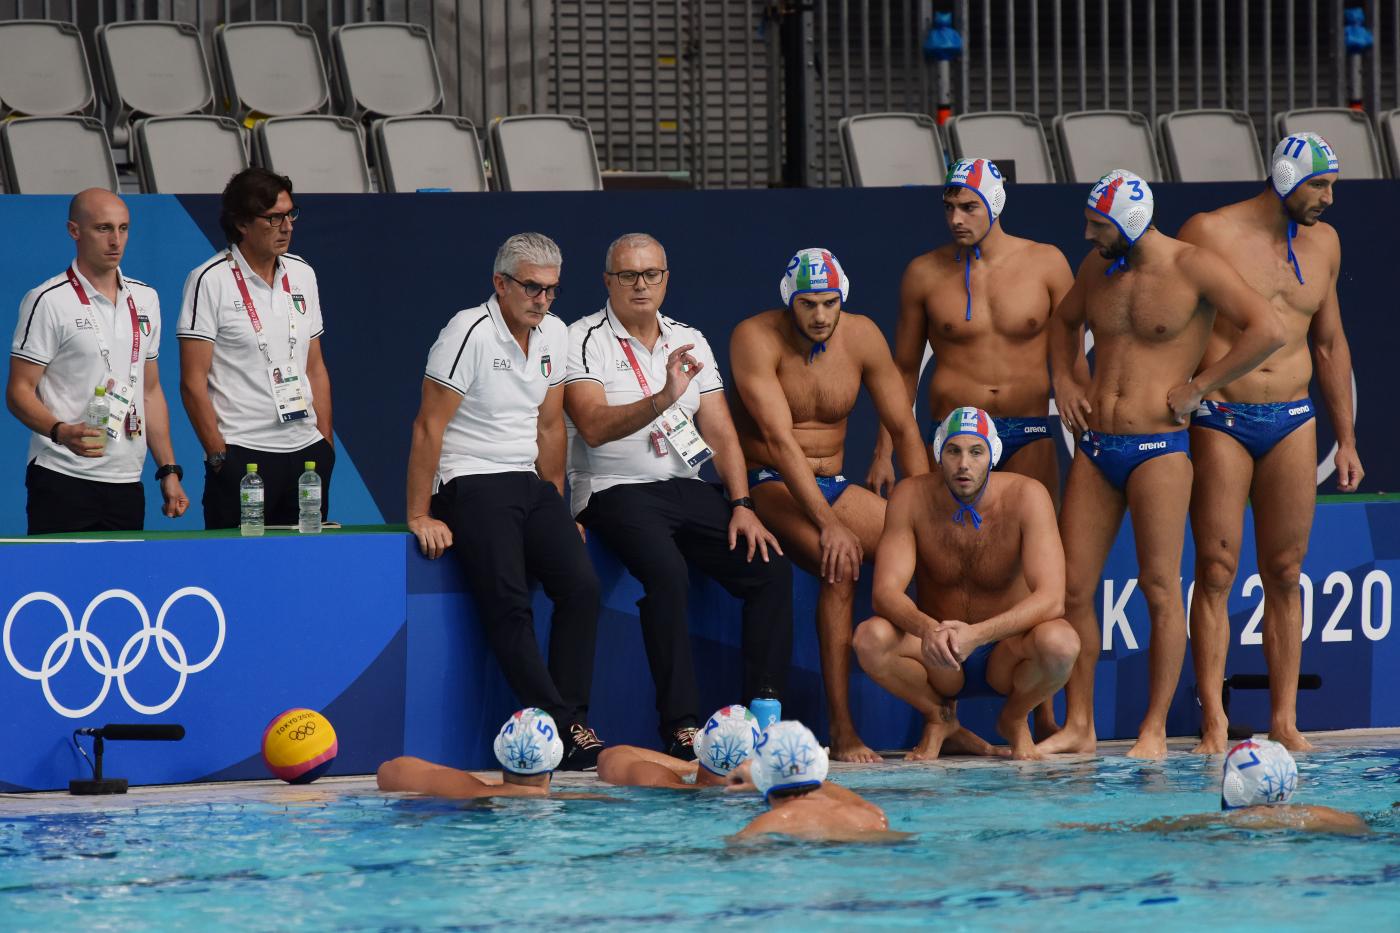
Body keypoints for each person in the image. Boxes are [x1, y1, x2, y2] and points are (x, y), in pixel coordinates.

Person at [1045, 170, 1286, 759]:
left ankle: (1153, 727)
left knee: (1159, 588)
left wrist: (1202, 384)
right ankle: (1081, 723)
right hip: (1098, 448)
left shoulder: (1192, 267)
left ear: (1127, 223)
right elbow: (1062, 324)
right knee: (1075, 590)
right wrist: (1067, 380)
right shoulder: (1094, 270)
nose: (1086, 233)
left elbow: (1269, 328)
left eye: (1097, 225)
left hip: (1158, 451)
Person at [563, 232, 792, 761]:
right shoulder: (581, 338)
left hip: (685, 488)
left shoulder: (689, 338)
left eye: (651, 274)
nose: (640, 285)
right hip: (612, 489)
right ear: (607, 281)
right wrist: (663, 396)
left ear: (666, 279)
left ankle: (764, 714)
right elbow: (593, 427)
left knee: (769, 566)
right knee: (667, 573)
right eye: (628, 275)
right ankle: (682, 726)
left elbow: (720, 431)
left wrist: (741, 504)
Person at [1179, 132, 1360, 754]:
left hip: (1293, 418)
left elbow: (1330, 344)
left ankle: (1284, 720)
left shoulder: (1326, 244)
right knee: (1217, 568)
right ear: (1283, 177)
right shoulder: (1210, 232)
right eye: (1318, 185)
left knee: (1285, 572)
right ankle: (1213, 723)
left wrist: (1349, 439)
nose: (1328, 199)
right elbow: (1168, 317)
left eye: (1332, 185)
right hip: (1223, 418)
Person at [406, 233, 604, 771]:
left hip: (525, 481)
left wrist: (555, 507)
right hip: (469, 479)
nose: (542, 300)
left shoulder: (555, 334)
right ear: (500, 283)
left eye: (551, 291)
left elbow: (548, 423)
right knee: (510, 602)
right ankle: (558, 728)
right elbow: (429, 425)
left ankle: (572, 718)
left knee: (582, 587)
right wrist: (421, 512)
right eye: (531, 287)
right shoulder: (466, 331)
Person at [730, 248, 928, 763]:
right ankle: (843, 729)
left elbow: (904, 427)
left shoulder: (861, 336)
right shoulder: (754, 337)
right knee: (838, 565)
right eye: (808, 304)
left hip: (834, 482)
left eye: (829, 304)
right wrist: (828, 523)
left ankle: (940, 711)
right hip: (773, 481)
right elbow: (778, 439)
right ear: (788, 302)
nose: (820, 316)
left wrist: (931, 511)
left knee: (927, 546)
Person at [853, 408, 1079, 760]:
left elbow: (1052, 600)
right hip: (941, 655)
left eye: (976, 452)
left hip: (1006, 653)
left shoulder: (1027, 496)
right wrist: (928, 629)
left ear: (993, 457)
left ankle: (1014, 718)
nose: (963, 464)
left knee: (1062, 643)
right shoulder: (911, 497)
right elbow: (884, 592)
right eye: (953, 451)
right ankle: (939, 717)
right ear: (939, 454)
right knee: (869, 639)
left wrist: (979, 634)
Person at [868, 158, 1074, 508]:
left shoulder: (1047, 263)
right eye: (948, 208)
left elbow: (1073, 356)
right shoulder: (923, 273)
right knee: (950, 553)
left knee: (1029, 552)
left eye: (968, 207)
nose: (955, 220)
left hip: (1027, 431)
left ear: (995, 203)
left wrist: (1082, 417)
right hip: (953, 431)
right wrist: (882, 452)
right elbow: (903, 371)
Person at [7, 188, 188, 534]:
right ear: (74, 231)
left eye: (123, 228)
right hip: (62, 476)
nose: (116, 240)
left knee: (121, 587)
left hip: (126, 479)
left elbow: (149, 392)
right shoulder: (47, 300)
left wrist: (168, 470)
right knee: (60, 586)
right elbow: (18, 391)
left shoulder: (146, 298)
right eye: (103, 229)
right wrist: (61, 432)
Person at [177, 167, 334, 529]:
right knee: (236, 576)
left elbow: (316, 367)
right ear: (242, 223)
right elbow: (192, 382)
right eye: (274, 217)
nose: (288, 226)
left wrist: (324, 444)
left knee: (302, 571)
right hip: (243, 456)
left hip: (307, 453)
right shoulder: (209, 280)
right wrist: (219, 456)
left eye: (290, 213)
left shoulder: (303, 273)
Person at [1068, 739, 1370, 835]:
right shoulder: (1334, 817)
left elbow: (1142, 828)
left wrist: (1087, 828)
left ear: (1234, 784)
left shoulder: (1219, 824)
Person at [731, 720, 895, 842]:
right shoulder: (870, 818)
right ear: (821, 765)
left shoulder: (764, 827)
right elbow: (872, 810)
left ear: (760, 776)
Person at [377, 708, 562, 800]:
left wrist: (481, 784)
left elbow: (388, 771)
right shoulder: (572, 800)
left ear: (500, 750)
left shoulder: (471, 792)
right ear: (555, 755)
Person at [597, 704, 760, 788]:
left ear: (698, 744)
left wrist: (693, 770)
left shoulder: (663, 784)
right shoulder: (771, 794)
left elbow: (610, 756)